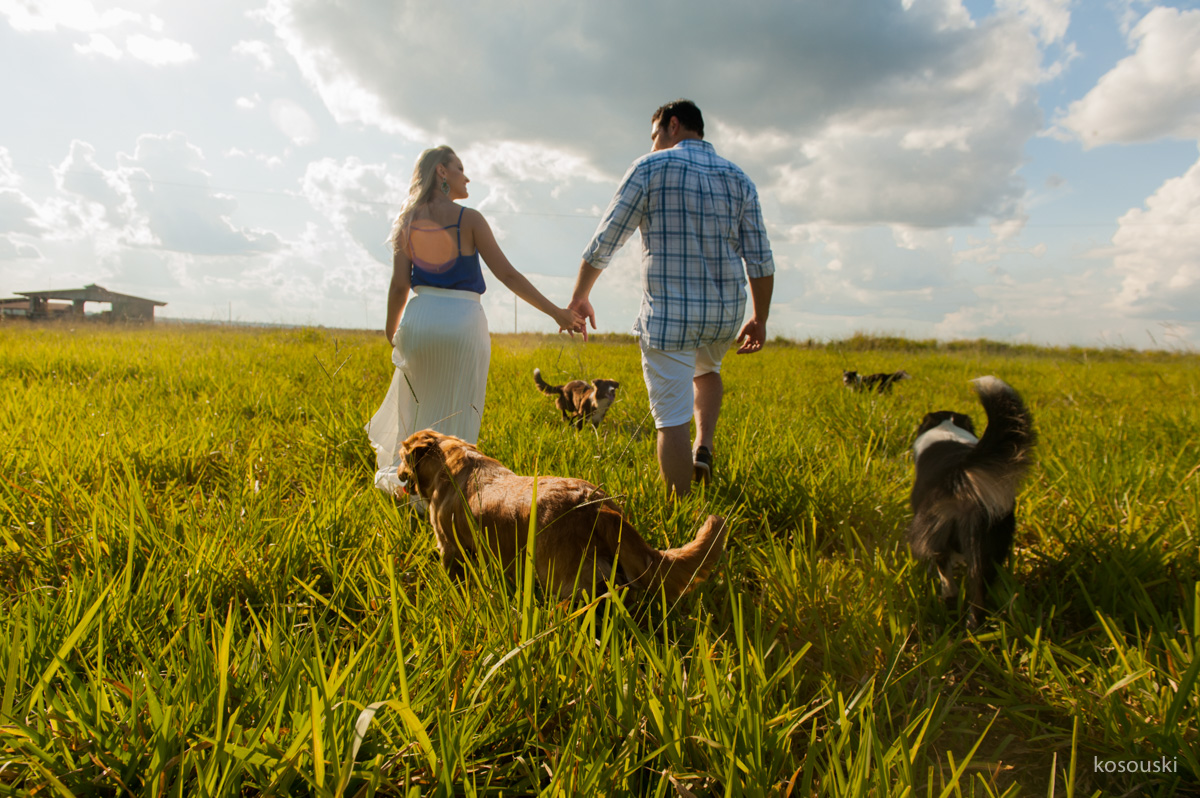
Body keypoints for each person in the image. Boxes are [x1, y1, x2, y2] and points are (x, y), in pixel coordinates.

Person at [569, 100, 775, 497]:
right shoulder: (739, 178)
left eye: (654, 137)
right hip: (724, 313)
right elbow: (761, 258)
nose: (652, 146)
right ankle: (704, 447)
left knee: (671, 420)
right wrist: (760, 317)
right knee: (707, 371)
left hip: (670, 316)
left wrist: (581, 295)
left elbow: (606, 240)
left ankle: (681, 512)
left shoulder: (649, 168)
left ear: (673, 125)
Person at [367, 145, 581, 495]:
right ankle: (446, 495)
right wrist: (557, 312)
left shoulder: (407, 221)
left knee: (417, 410)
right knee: (458, 415)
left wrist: (392, 330)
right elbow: (508, 276)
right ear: (441, 172)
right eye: (460, 168)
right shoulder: (470, 219)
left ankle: (410, 489)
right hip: (463, 321)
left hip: (419, 321)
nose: (466, 177)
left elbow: (398, 285)